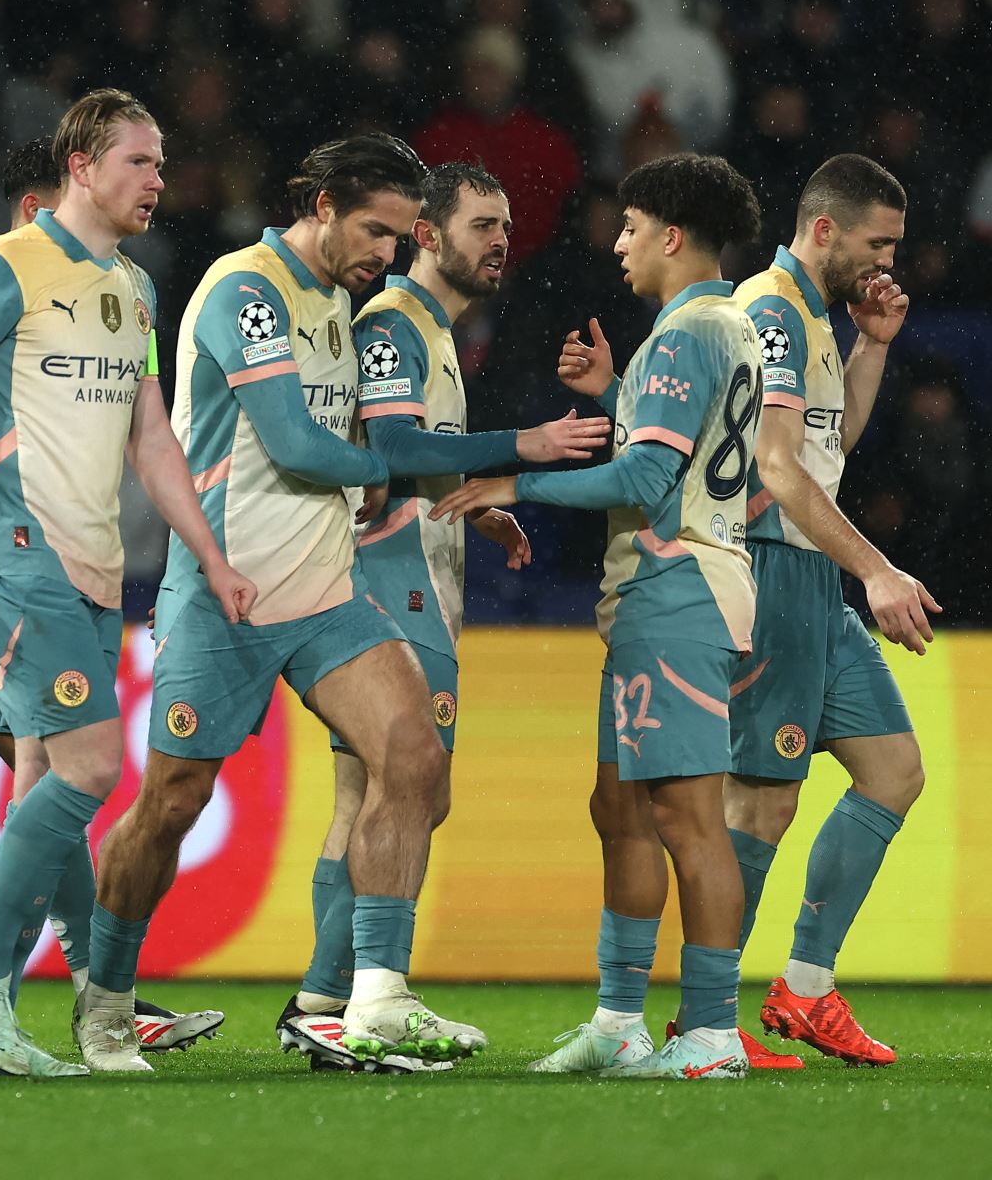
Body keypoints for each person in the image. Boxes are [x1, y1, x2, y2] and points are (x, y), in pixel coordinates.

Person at [0, 89, 255, 1078]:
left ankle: (37, 1029)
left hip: (93, 565)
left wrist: (208, 556)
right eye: (140, 160)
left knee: (49, 780)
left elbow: (153, 438)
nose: (159, 180)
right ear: (81, 166)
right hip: (11, 543)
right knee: (92, 770)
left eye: (163, 164)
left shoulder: (135, 290)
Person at [79, 132, 474, 1075]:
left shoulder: (337, 300)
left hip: (327, 595)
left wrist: (406, 487)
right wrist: (398, 469)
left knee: (414, 758)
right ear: (325, 202)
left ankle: (374, 999)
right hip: (228, 592)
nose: (387, 255)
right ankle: (106, 1002)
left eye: (401, 238)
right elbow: (297, 445)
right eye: (375, 231)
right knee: (173, 800)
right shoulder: (244, 288)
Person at [435, 152, 764, 1080]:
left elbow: (646, 479)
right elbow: (683, 452)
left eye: (629, 228)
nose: (616, 244)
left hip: (677, 593)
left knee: (688, 818)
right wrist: (617, 396)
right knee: (617, 806)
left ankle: (709, 1034)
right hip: (665, 592)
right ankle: (620, 1020)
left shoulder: (684, 336)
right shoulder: (723, 325)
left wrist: (517, 478)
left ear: (670, 234)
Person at [279, 163, 609, 1070]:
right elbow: (387, 443)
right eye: (481, 225)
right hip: (390, 585)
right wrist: (524, 448)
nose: (500, 241)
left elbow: (399, 453)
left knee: (375, 796)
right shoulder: (394, 323)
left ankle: (323, 999)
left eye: (506, 226)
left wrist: (465, 494)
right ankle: (369, 995)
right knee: (414, 789)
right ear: (427, 235)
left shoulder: (429, 331)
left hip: (405, 568)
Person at [724, 154, 930, 1068]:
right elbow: (775, 468)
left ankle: (804, 990)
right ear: (824, 230)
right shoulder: (769, 309)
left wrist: (872, 346)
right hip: (772, 571)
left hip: (816, 580)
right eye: (877, 243)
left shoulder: (811, 315)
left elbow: (827, 444)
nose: (887, 261)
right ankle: (701, 1013)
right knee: (760, 805)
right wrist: (878, 569)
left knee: (893, 771)